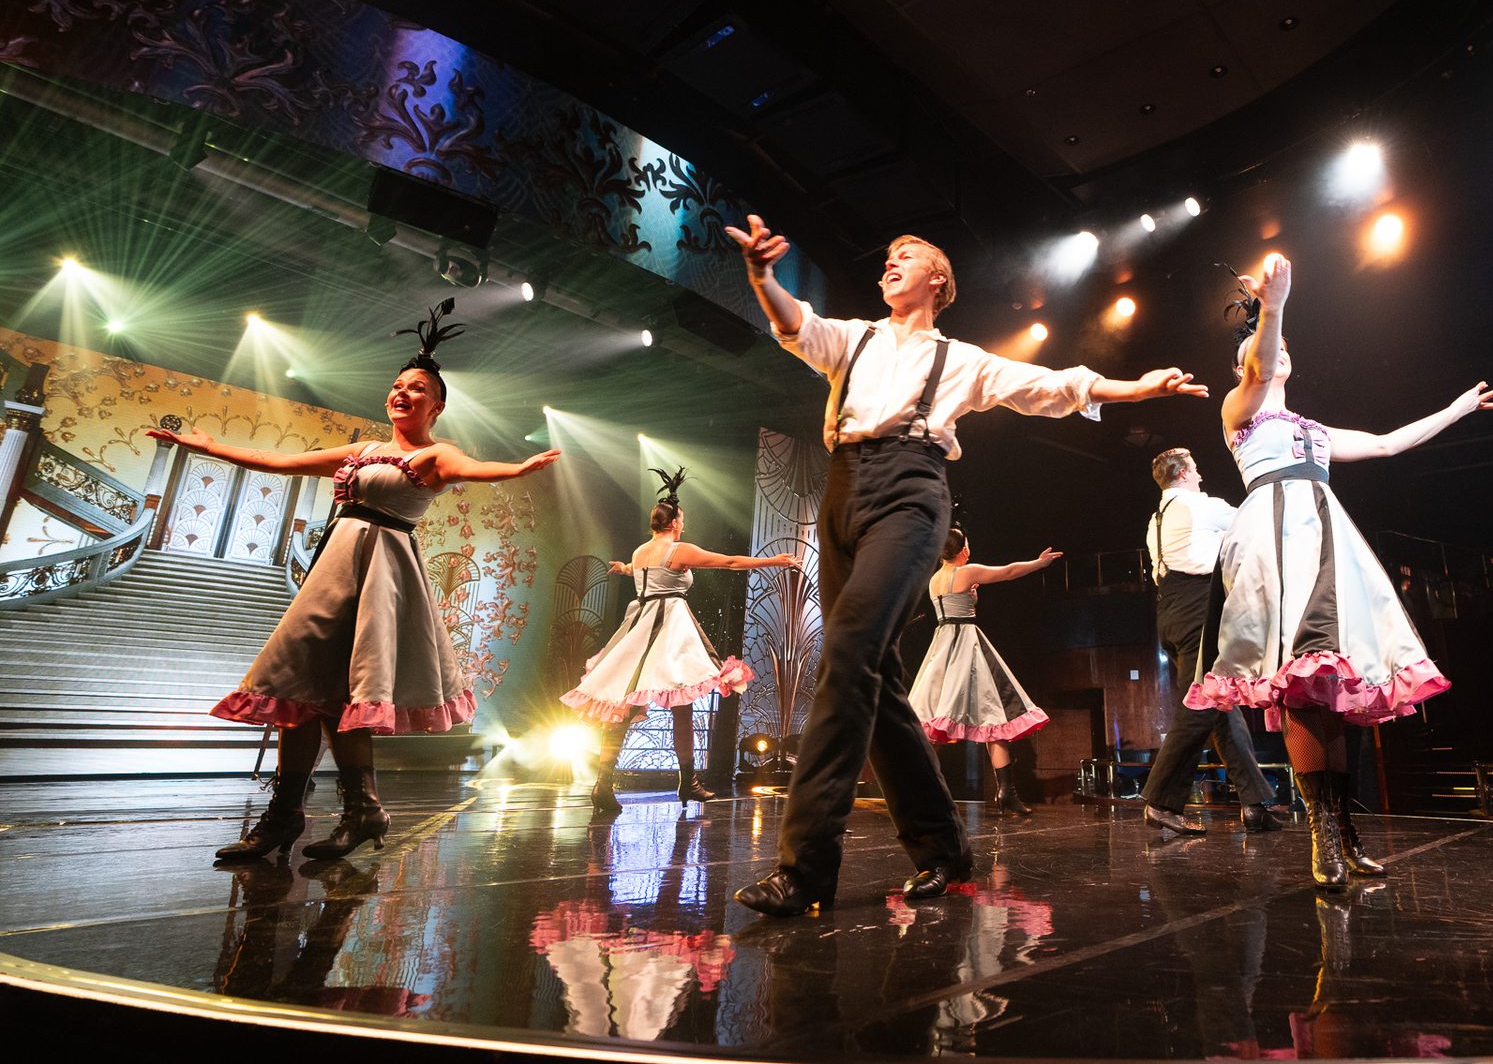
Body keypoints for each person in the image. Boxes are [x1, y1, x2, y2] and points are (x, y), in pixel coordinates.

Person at [724, 214, 1209, 915]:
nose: (890, 261)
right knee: (876, 679)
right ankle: (944, 850)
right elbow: (795, 323)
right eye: (886, 255)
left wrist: (1133, 388)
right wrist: (763, 276)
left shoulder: (962, 359)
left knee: (849, 650)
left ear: (937, 280)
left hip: (911, 495)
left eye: (906, 254)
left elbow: (1049, 385)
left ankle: (805, 868)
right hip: (842, 491)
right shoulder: (853, 337)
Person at [147, 299, 559, 863]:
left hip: (381, 574)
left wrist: (515, 469)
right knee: (298, 691)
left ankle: (360, 810)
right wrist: (205, 446)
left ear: (436, 406)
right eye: (397, 385)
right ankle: (288, 817)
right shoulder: (365, 450)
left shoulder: (439, 455)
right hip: (334, 571)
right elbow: (279, 462)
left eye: (417, 388)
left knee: (343, 696)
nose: (402, 393)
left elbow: (473, 471)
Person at [1186, 253, 1493, 888]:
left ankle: (1343, 831)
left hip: (1328, 540)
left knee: (1338, 688)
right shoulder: (1238, 411)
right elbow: (1258, 360)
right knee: (1301, 682)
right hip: (1277, 540)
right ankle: (1321, 839)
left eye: (1279, 346)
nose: (1272, 354)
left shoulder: (1313, 428)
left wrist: (1456, 411)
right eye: (1260, 350)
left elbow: (1387, 443)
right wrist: (1272, 308)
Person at [562, 466, 797, 810]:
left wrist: (625, 569)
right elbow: (728, 561)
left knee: (623, 704)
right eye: (681, 520)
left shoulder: (640, 552)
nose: (682, 525)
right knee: (682, 706)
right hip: (669, 628)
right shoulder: (678, 549)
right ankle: (687, 781)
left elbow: (642, 572)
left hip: (639, 626)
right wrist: (773, 560)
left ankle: (605, 782)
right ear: (674, 524)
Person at [1139, 447, 1285, 836]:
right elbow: (1255, 522)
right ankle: (1161, 800)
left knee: (1223, 705)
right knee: (1202, 704)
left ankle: (1254, 803)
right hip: (1198, 608)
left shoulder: (1156, 519)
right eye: (1197, 468)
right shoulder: (1203, 506)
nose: (1201, 475)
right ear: (1184, 473)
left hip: (1170, 611)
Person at [908, 526, 1056, 818]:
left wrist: (971, 600)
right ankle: (1005, 793)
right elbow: (1009, 572)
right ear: (962, 550)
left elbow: (954, 606)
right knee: (992, 715)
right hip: (964, 644)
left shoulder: (936, 578)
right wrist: (1039, 563)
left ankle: (930, 791)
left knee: (951, 718)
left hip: (943, 645)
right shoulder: (966, 571)